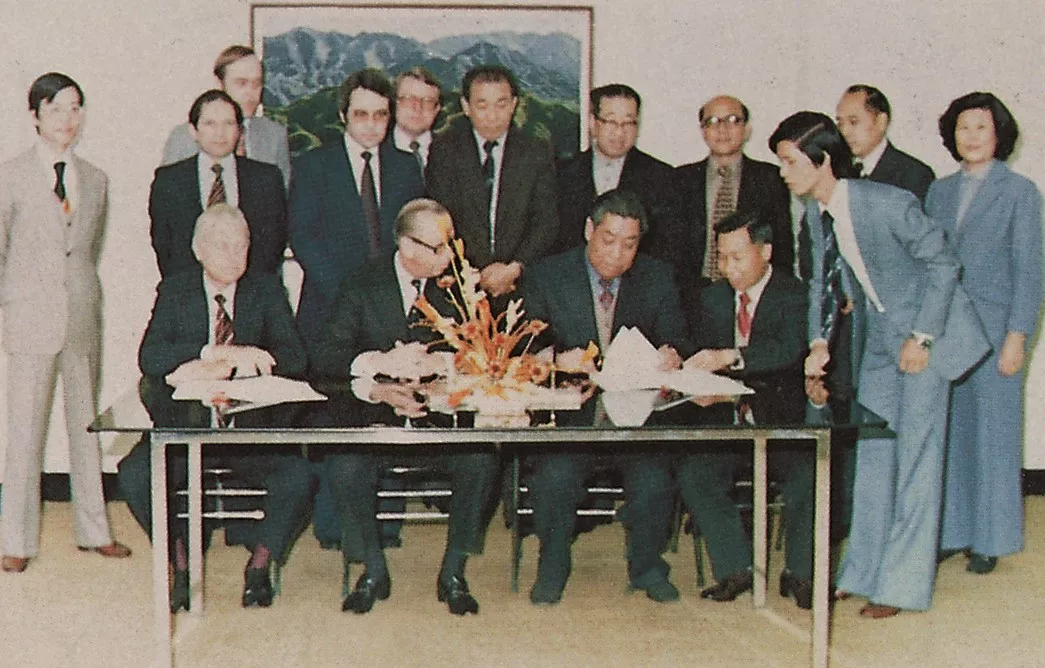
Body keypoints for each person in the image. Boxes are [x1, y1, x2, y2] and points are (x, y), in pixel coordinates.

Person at [769, 111, 988, 618]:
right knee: (873, 456)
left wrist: (923, 337)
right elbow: (823, 284)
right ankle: (863, 572)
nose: (783, 172)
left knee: (917, 460)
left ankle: (902, 587)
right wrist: (819, 342)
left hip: (927, 334)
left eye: (789, 161)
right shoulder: (818, 214)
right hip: (882, 339)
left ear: (823, 161)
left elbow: (944, 265)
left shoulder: (887, 202)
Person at [309, 198, 498, 615]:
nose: (450, 257)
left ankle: (454, 571)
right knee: (345, 466)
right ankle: (373, 569)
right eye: (439, 248)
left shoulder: (459, 285)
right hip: (374, 416)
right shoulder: (362, 283)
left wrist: (442, 363)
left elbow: (485, 353)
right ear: (407, 246)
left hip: (441, 419)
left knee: (482, 460)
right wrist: (380, 365)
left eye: (451, 244)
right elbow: (325, 357)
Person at [118, 204, 311, 611]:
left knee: (298, 477)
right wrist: (209, 352)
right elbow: (150, 357)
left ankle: (260, 565)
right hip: (185, 431)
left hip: (251, 433)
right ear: (198, 249)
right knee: (134, 474)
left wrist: (249, 357)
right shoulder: (176, 290)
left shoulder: (265, 288)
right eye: (222, 245)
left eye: (241, 245)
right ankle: (180, 562)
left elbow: (295, 357)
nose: (234, 254)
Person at [520, 188, 692, 606]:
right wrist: (556, 358)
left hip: (634, 415)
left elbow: (677, 338)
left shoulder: (657, 277)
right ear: (588, 230)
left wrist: (671, 354)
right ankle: (552, 566)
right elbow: (523, 347)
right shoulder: (547, 275)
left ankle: (647, 568)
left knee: (654, 480)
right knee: (555, 478)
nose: (617, 254)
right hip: (570, 418)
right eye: (608, 240)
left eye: (629, 244)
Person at [0, 73, 132, 573]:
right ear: (35, 115)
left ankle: (94, 530)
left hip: (80, 319)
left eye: (75, 108)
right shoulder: (10, 176)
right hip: (30, 319)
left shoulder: (95, 179)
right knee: (25, 434)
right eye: (56, 109)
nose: (67, 119)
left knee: (85, 427)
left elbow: (83, 253)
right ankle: (16, 541)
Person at [927, 92, 1043, 575]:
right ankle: (953, 532)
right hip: (947, 327)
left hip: (996, 330)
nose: (972, 137)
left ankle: (991, 538)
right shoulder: (938, 192)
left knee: (995, 432)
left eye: (982, 127)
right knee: (951, 429)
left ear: (999, 135)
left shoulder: (1020, 192)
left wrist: (1018, 335)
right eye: (963, 127)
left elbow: (1030, 272)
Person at [676, 209, 811, 607]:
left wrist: (731, 357)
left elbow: (788, 352)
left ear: (765, 251)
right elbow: (695, 348)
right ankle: (735, 568)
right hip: (725, 419)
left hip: (782, 418)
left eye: (737, 257)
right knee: (696, 473)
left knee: (807, 477)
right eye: (721, 258)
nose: (727, 268)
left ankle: (801, 573)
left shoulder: (794, 295)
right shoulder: (712, 298)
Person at [289, 68, 424, 356]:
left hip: (391, 311)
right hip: (329, 308)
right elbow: (302, 237)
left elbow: (412, 237)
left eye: (380, 115)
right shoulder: (313, 165)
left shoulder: (406, 166)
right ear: (343, 115)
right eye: (361, 115)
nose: (371, 125)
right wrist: (348, 295)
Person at [426, 64, 558, 298]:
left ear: (514, 104)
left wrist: (513, 268)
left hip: (520, 284)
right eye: (482, 105)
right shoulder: (445, 150)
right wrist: (475, 273)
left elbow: (545, 221)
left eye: (501, 104)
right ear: (466, 106)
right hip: (461, 284)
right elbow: (440, 219)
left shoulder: (536, 152)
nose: (493, 115)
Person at [668, 95, 793, 309]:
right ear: (702, 131)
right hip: (691, 297)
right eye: (712, 121)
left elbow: (782, 247)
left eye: (733, 120)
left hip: (752, 296)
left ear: (747, 129)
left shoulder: (770, 178)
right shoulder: (680, 180)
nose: (722, 129)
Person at [148, 89, 287, 278]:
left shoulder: (266, 178)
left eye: (228, 123)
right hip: (189, 289)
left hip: (253, 288)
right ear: (193, 131)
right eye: (210, 124)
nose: (220, 133)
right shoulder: (169, 181)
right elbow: (165, 245)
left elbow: (274, 243)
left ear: (239, 130)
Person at [554, 84, 674, 254]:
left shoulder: (661, 176)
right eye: (611, 122)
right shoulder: (561, 174)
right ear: (593, 123)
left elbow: (666, 246)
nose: (619, 132)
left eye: (628, 123)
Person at [161, 45, 291, 188]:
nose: (250, 92)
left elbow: (281, 194)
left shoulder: (274, 135)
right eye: (241, 83)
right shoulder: (184, 137)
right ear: (220, 84)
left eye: (257, 84)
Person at [835, 85, 934, 201]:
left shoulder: (914, 175)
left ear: (881, 122)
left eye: (853, 122)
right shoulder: (838, 172)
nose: (844, 132)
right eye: (840, 124)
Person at [391, 67, 442, 175]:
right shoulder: (375, 151)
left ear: (437, 109)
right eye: (409, 99)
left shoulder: (454, 152)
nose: (418, 107)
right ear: (395, 103)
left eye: (428, 101)